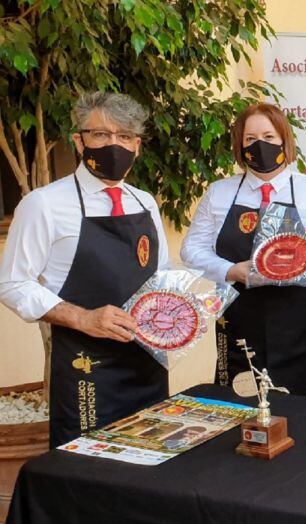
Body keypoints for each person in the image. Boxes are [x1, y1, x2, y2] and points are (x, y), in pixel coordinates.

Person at [0, 92, 170, 446]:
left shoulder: (145, 202)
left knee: (152, 468)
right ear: (79, 142)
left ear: (136, 146)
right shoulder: (44, 204)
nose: (114, 145)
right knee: (88, 474)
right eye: (100, 134)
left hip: (148, 366)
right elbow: (12, 283)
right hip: (86, 371)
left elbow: (161, 277)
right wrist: (83, 318)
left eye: (123, 136)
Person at [181, 103, 306, 398]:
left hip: (302, 317)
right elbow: (191, 248)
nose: (260, 145)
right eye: (250, 139)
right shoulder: (219, 193)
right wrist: (230, 270)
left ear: (285, 139)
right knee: (240, 401)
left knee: (305, 404)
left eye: (269, 137)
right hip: (240, 315)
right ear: (240, 145)